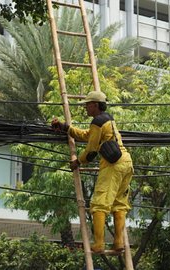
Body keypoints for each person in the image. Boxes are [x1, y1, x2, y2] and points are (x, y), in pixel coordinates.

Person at [51, 91, 133, 253]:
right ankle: (118, 243)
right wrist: (66, 128)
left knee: (98, 205)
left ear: (95, 105)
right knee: (119, 205)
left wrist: (77, 162)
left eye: (87, 105)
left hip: (113, 166)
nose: (85, 108)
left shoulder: (97, 121)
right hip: (127, 163)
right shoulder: (107, 119)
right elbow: (87, 136)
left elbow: (91, 150)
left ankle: (99, 244)